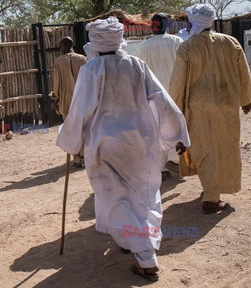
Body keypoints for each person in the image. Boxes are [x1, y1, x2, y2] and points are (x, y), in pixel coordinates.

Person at [57, 17, 190, 281]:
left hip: (104, 145)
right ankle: (133, 242)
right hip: (141, 142)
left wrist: (70, 140)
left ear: (94, 42)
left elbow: (79, 111)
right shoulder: (137, 65)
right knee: (143, 194)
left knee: (115, 197)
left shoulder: (92, 69)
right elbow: (162, 99)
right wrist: (176, 134)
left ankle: (145, 256)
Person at [169, 4, 251, 214]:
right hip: (227, 105)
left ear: (192, 21)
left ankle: (211, 197)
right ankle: (212, 191)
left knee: (205, 148)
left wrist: (174, 110)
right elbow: (244, 74)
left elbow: (177, 84)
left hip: (198, 109)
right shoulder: (231, 43)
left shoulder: (187, 47)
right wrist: (246, 100)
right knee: (224, 147)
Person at [138, 13, 183, 180]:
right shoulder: (176, 42)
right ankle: (176, 159)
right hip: (174, 92)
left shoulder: (145, 45)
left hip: (155, 95)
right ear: (166, 25)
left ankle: (161, 167)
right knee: (176, 127)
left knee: (157, 129)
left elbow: (142, 72)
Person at [49, 37, 87, 167]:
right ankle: (84, 157)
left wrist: (55, 99)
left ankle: (76, 158)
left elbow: (56, 82)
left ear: (66, 45)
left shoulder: (59, 61)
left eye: (60, 46)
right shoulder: (82, 59)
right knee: (83, 127)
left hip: (66, 101)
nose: (60, 48)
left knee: (71, 129)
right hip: (82, 100)